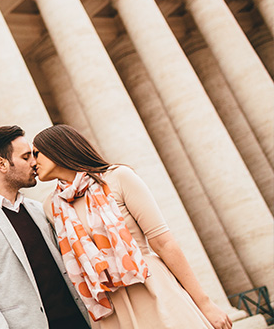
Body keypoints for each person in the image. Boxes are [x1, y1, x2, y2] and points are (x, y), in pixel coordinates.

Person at [32, 124, 232, 329]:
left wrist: (205, 304)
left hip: (151, 288)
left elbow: (163, 242)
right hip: (109, 307)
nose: (32, 162)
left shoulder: (118, 177)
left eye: (36, 153)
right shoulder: (52, 206)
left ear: (56, 149)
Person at [0, 125, 91, 329]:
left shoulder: (39, 209)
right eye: (26, 157)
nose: (34, 163)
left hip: (79, 321)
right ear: (2, 164)